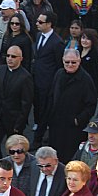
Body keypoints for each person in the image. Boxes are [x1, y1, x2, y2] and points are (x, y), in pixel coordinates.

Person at [48, 48, 97, 164]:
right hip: (56, 125)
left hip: (73, 129)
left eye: (73, 62)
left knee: (69, 159)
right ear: (63, 61)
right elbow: (51, 96)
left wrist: (78, 120)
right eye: (67, 62)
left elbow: (91, 105)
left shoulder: (85, 79)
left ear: (79, 61)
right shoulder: (59, 74)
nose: (70, 65)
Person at [0, 45, 34, 163]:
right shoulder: (0, 70)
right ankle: (0, 166)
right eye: (7, 56)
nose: (9, 58)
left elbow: (26, 104)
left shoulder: (25, 77)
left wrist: (19, 124)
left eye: (13, 56)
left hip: (14, 120)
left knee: (15, 150)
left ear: (20, 58)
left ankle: (13, 171)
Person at [31, 11, 65, 144]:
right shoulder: (39, 36)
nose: (37, 24)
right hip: (36, 79)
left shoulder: (57, 42)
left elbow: (58, 65)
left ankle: (39, 138)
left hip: (48, 82)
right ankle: (38, 126)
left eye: (40, 22)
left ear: (49, 24)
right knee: (37, 106)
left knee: (46, 109)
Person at [79, 28, 98, 98]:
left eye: (88, 39)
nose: (84, 41)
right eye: (83, 38)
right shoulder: (77, 51)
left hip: (89, 89)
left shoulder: (96, 55)